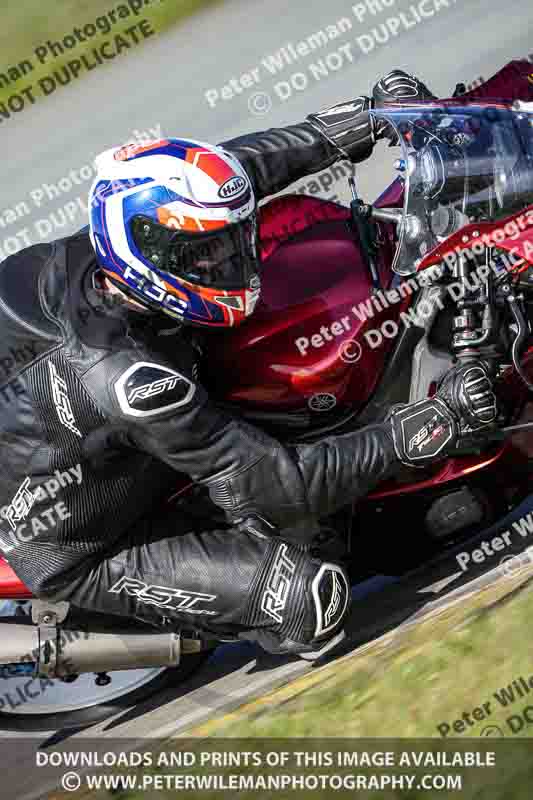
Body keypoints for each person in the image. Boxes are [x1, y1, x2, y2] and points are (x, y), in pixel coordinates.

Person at [0, 71, 497, 660]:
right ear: (151, 256)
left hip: (75, 426)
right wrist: (422, 429)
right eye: (207, 255)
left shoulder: (123, 238)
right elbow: (276, 487)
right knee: (311, 598)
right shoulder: (131, 381)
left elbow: (228, 175)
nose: (231, 260)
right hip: (82, 537)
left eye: (229, 242)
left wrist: (350, 126)